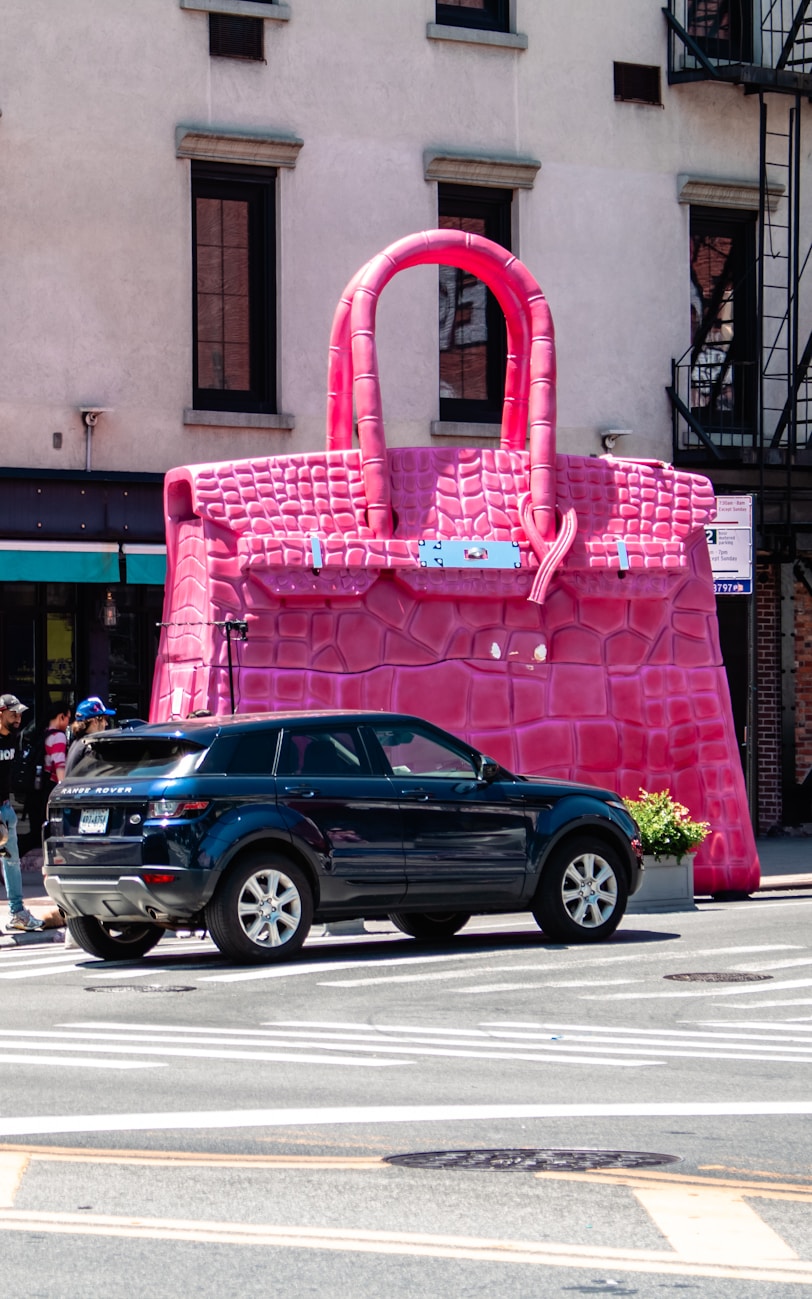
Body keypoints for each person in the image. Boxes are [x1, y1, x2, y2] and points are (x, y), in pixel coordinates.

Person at [0, 693, 44, 931]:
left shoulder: (14, 738)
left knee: (12, 863)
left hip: (6, 810)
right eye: (13, 713)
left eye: (19, 713)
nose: (18, 718)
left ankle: (18, 913)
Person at [23, 700, 71, 855]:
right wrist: (64, 790)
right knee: (43, 835)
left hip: (35, 791)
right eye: (68, 718)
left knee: (37, 834)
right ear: (61, 717)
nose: (68, 722)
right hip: (47, 791)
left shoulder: (42, 733)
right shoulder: (58, 736)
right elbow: (60, 766)